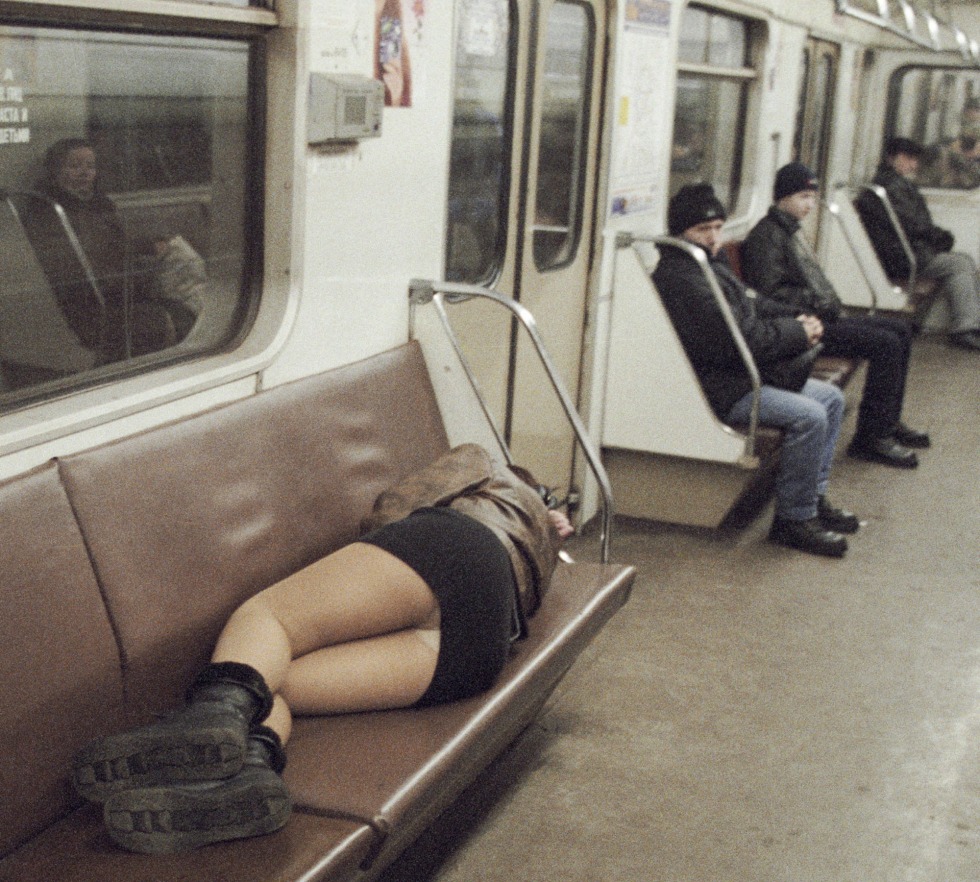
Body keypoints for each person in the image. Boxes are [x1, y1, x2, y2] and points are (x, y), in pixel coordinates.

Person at [70, 444, 572, 854]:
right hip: (485, 642)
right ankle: (247, 771)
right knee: (269, 681)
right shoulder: (542, 543)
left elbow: (392, 510)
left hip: (458, 549)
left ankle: (210, 712)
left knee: (266, 620)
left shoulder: (485, 462)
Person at [653, 183, 858, 558]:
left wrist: (797, 318)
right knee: (810, 416)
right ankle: (793, 520)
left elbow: (751, 303)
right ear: (679, 231)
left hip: (742, 375)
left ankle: (811, 497)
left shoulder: (708, 264)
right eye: (702, 230)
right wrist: (798, 334)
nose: (713, 238)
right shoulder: (682, 279)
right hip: (721, 386)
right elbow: (738, 341)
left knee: (830, 398)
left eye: (718, 227)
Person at [742, 163, 929, 469]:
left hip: (821, 315)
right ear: (782, 197)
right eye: (803, 196)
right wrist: (817, 303)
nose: (810, 205)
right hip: (800, 325)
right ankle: (871, 438)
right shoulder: (767, 237)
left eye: (813, 197)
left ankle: (888, 421)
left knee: (901, 330)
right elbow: (771, 295)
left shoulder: (789, 231)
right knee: (886, 344)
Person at [21, 138, 182, 364]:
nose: (84, 172)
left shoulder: (99, 203)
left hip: (117, 286)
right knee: (175, 314)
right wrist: (139, 277)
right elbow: (78, 270)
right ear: (56, 172)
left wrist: (150, 245)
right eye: (75, 166)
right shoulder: (49, 212)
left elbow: (116, 242)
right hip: (89, 304)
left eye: (90, 166)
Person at [856, 137, 980, 352]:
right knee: (960, 264)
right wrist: (941, 238)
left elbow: (915, 224)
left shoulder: (895, 185)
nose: (913, 165)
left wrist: (937, 238)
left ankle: (960, 324)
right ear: (892, 158)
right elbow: (914, 225)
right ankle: (964, 329)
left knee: (962, 261)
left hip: (905, 251)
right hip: (901, 257)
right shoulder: (891, 188)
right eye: (908, 159)